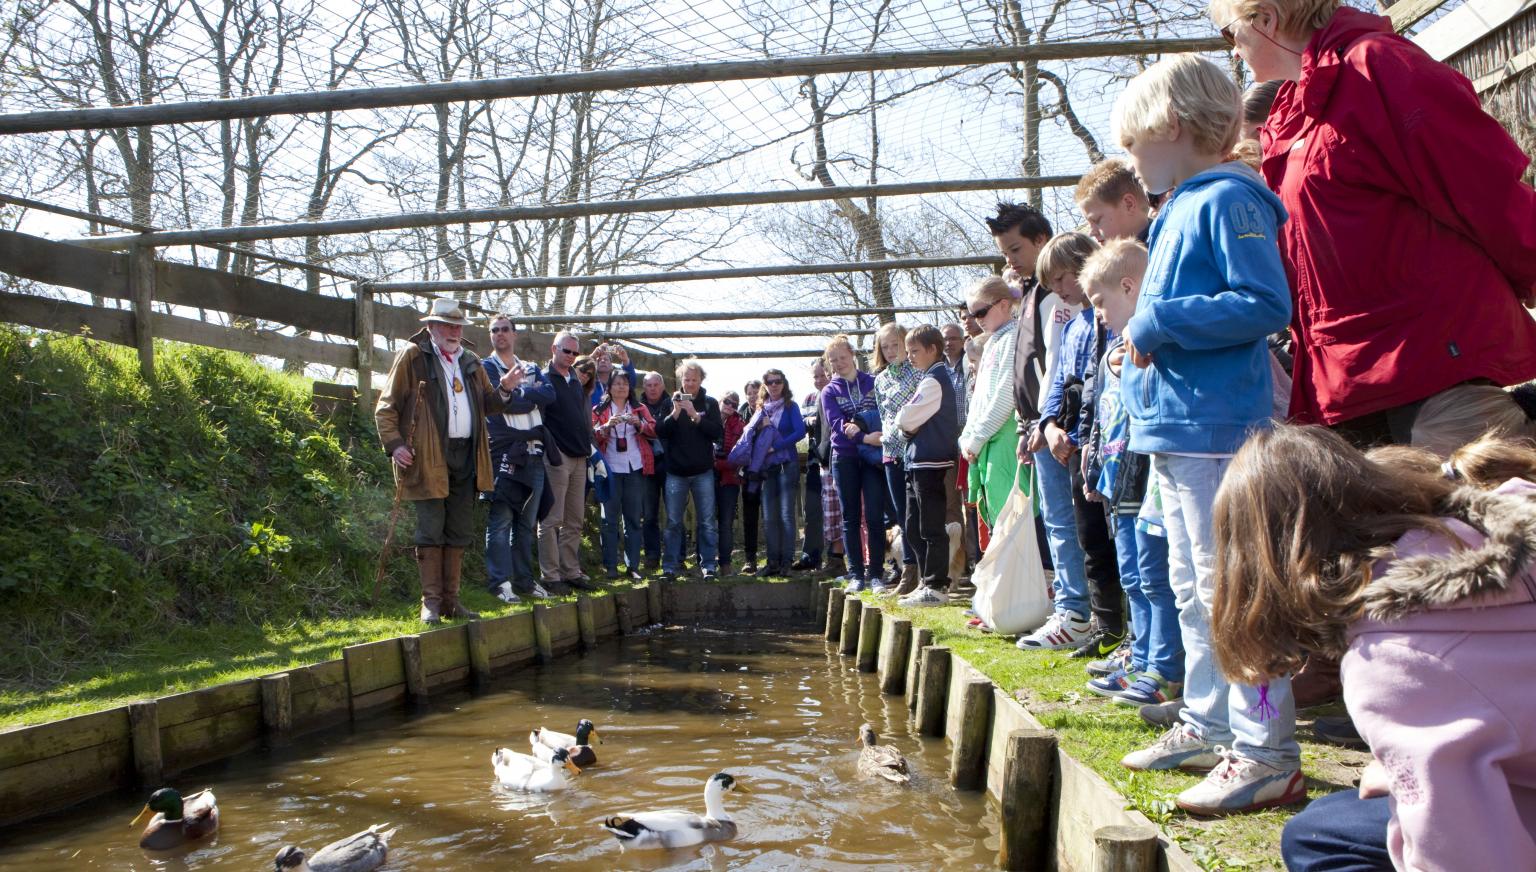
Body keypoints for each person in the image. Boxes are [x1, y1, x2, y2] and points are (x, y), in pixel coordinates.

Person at [1210, 425, 1536, 871]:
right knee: (1324, 822)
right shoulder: (1507, 509)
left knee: (1322, 840)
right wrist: (1402, 766)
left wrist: (1417, 777)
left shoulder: (1394, 657)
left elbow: (1462, 852)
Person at [1213, 0, 1536, 450]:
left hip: (1434, 371)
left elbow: (1485, 192)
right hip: (1351, 383)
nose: (1232, 53)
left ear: (1266, 19)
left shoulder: (1378, 67)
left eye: (1229, 35)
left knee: (1474, 514)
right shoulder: (1287, 109)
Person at [1111, 54, 1299, 815]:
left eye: (1134, 148)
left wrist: (1159, 321)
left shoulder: (1227, 200)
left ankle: (1266, 750)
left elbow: (1264, 302)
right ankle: (1209, 718)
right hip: (1177, 428)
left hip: (1220, 426)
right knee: (1193, 588)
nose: (1131, 163)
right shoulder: (1178, 204)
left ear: (1172, 128)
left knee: (1233, 588)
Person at [1079, 240, 1183, 708]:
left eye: (1101, 303)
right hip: (1120, 478)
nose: (1097, 314)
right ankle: (1142, 657)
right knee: (1135, 576)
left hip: (1146, 476)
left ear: (1128, 286)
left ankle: (1163, 666)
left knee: (1155, 576)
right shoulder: (1118, 348)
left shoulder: (1153, 342)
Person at [375, 298, 522, 624]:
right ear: (431, 328)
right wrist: (395, 445)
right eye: (448, 325)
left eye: (458, 326)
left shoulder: (470, 361)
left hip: (467, 456)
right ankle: (431, 602)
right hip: (427, 457)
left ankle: (451, 602)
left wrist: (506, 389)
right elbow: (386, 408)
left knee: (458, 530)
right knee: (431, 529)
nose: (454, 331)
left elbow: (488, 404)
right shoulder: (413, 357)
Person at [1020, 232, 1125, 660]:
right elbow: (1060, 382)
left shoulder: (1107, 319)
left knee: (1116, 536)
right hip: (1075, 445)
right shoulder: (1073, 323)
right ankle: (1106, 626)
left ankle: (1126, 630)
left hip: (1106, 444)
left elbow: (1102, 386)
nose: (1061, 289)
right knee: (1090, 539)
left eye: (1064, 277)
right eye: (1054, 283)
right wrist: (1048, 425)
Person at [481, 314, 556, 603]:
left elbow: (549, 395)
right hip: (504, 455)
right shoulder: (486, 367)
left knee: (527, 523)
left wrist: (517, 392)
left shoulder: (531, 367)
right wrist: (521, 396)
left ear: (514, 334)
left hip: (535, 454)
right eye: (494, 330)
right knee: (500, 521)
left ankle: (524, 580)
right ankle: (499, 582)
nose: (500, 334)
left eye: (504, 330)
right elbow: (499, 402)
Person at [894, 325, 961, 607]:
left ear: (933, 349)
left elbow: (906, 419)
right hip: (916, 461)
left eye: (915, 351)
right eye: (908, 352)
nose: (910, 357)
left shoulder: (935, 379)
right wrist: (906, 426)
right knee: (912, 526)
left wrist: (906, 426)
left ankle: (936, 585)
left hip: (930, 461)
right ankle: (925, 580)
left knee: (931, 525)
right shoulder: (927, 378)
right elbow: (907, 422)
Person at [821, 334, 887, 592]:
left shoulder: (872, 382)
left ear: (852, 355)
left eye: (843, 357)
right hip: (845, 456)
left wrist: (870, 438)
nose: (839, 363)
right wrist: (864, 436)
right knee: (850, 517)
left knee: (874, 515)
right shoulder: (829, 391)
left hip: (872, 457)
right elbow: (837, 425)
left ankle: (877, 573)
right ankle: (856, 573)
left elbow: (883, 413)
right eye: (834, 360)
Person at [539, 332, 598, 594]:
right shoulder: (543, 379)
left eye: (575, 353)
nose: (571, 357)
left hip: (580, 456)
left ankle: (571, 571)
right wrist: (550, 449)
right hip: (558, 456)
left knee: (575, 519)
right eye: (567, 351)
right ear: (554, 349)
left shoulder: (575, 380)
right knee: (552, 519)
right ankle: (550, 576)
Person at [658, 359, 724, 581]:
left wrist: (695, 416)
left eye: (694, 380)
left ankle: (708, 565)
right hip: (676, 472)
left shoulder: (710, 403)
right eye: (686, 379)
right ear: (680, 380)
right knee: (674, 521)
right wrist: (676, 413)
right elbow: (661, 431)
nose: (690, 384)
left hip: (702, 471)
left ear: (701, 380)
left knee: (706, 520)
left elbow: (716, 433)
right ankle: (671, 565)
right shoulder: (670, 402)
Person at [872, 323, 924, 595]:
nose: (891, 351)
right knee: (901, 514)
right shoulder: (880, 380)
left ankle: (928, 572)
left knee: (920, 513)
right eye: (885, 346)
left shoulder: (918, 372)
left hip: (916, 449)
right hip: (891, 452)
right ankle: (908, 571)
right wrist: (885, 442)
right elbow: (885, 418)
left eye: (895, 344)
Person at [592, 369, 656, 581]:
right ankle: (611, 566)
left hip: (634, 468)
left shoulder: (639, 408)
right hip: (609, 469)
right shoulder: (600, 409)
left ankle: (633, 566)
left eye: (625, 384)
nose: (621, 387)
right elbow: (590, 434)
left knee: (633, 519)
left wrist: (639, 424)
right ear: (609, 387)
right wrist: (606, 427)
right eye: (617, 383)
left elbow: (654, 430)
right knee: (609, 520)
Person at [745, 369, 806, 576]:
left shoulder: (791, 406)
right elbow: (751, 435)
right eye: (770, 382)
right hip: (766, 467)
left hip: (786, 465)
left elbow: (800, 431)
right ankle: (772, 562)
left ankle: (787, 562)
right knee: (770, 516)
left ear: (784, 383)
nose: (774, 385)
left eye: (778, 381)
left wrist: (777, 445)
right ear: (765, 385)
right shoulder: (761, 409)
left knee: (787, 515)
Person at [940, 323, 974, 581]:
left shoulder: (969, 364)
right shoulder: (938, 370)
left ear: (962, 340)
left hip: (972, 437)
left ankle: (977, 557)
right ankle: (957, 563)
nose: (949, 343)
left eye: (954, 338)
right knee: (952, 504)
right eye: (945, 339)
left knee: (973, 502)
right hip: (947, 442)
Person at [793, 359, 830, 573]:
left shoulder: (836, 393)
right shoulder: (808, 398)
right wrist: (809, 421)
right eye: (815, 376)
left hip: (835, 461)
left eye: (822, 375)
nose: (818, 380)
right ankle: (810, 556)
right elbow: (803, 422)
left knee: (838, 512)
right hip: (815, 461)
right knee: (812, 511)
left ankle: (837, 557)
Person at [638, 372, 672, 571]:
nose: (652, 388)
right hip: (646, 465)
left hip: (669, 464)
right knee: (649, 514)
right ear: (644, 387)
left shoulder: (672, 404)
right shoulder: (637, 407)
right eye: (648, 385)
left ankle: (676, 556)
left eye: (656, 384)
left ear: (662, 385)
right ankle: (651, 556)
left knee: (673, 513)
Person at [715, 391, 745, 575]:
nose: (729, 406)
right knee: (706, 521)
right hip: (707, 476)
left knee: (725, 522)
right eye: (727, 401)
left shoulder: (739, 425)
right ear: (720, 400)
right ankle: (707, 563)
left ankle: (725, 563)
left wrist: (717, 463)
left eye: (734, 404)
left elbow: (738, 457)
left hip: (729, 478)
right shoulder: (707, 420)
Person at [738, 378, 764, 572]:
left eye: (757, 392)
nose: (753, 395)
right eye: (750, 392)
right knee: (750, 516)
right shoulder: (740, 415)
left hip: (769, 470)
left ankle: (776, 558)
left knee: (774, 517)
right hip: (748, 473)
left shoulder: (769, 411)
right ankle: (750, 559)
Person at [589, 342, 638, 408]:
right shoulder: (588, 382)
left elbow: (632, 381)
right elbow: (579, 374)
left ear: (612, 366)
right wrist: (592, 356)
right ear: (595, 364)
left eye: (606, 359)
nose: (603, 361)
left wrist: (625, 360)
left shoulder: (617, 383)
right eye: (599, 360)